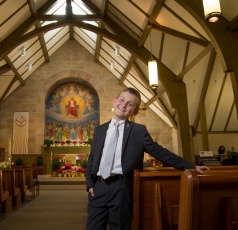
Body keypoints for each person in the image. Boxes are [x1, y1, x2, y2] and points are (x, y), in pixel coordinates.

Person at [85, 87, 209, 230]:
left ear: (135, 111)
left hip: (121, 189)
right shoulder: (100, 130)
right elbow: (93, 158)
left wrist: (189, 166)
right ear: (114, 102)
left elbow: (159, 152)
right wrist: (90, 184)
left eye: (130, 104)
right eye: (122, 100)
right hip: (98, 188)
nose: (124, 105)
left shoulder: (138, 131)